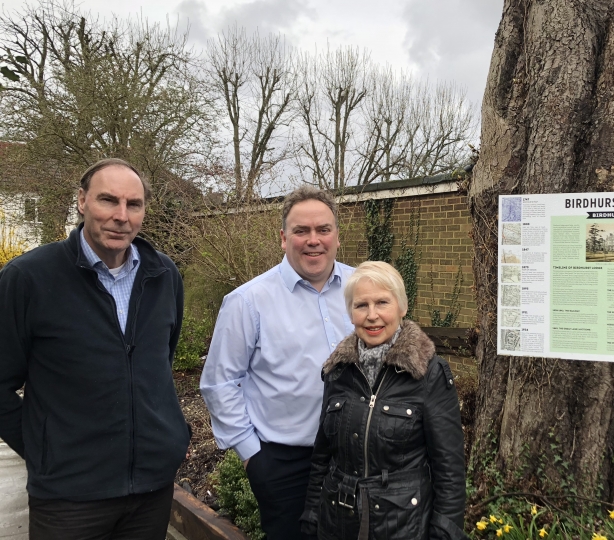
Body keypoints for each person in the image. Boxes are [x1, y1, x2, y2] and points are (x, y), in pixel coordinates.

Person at [0, 158, 190, 539]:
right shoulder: (29, 278)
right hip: (68, 499)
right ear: (82, 201)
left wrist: (170, 435)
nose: (121, 216)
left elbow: (156, 366)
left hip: (151, 492)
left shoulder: (164, 274)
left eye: (133, 204)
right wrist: (44, 450)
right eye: (108, 201)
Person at [201, 186, 354, 540]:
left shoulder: (362, 288)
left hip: (357, 456)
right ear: (284, 238)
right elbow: (220, 382)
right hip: (285, 465)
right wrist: (253, 456)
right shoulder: (248, 301)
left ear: (337, 237)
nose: (313, 240)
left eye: (323, 230)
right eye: (301, 231)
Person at [300, 261, 466, 540]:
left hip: (403, 525)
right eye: (361, 305)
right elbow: (323, 456)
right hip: (338, 522)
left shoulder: (428, 373)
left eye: (382, 303)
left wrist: (444, 531)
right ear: (350, 312)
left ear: (402, 307)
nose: (372, 315)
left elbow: (449, 468)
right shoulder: (337, 371)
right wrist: (311, 516)